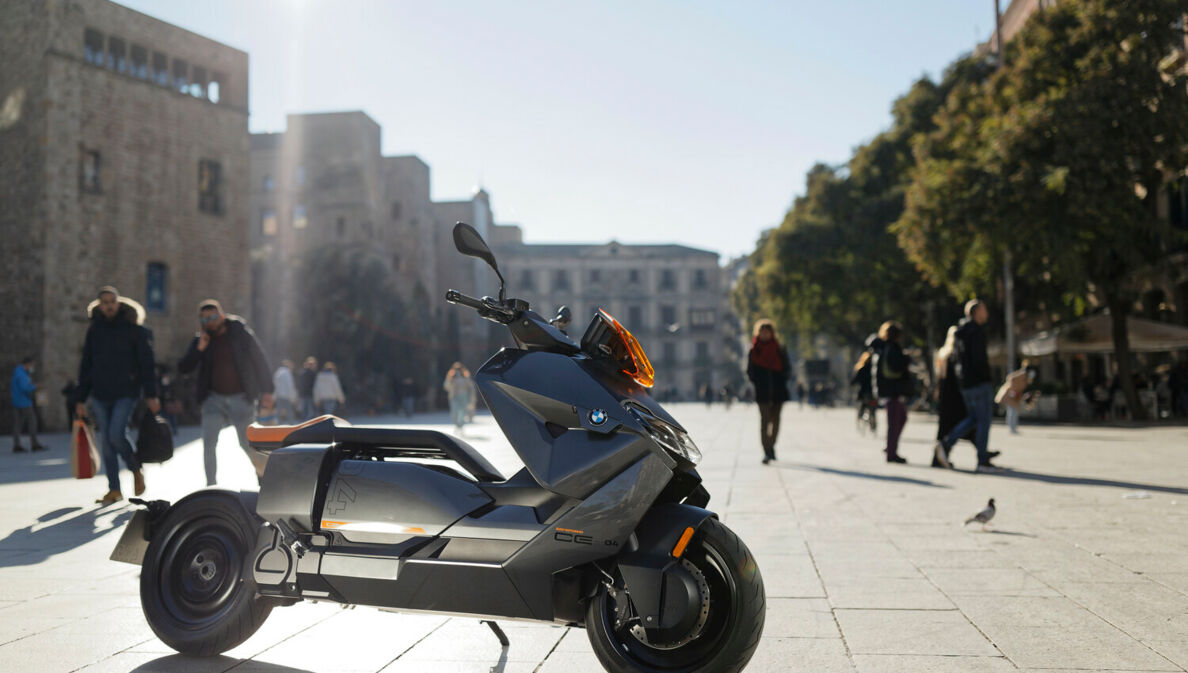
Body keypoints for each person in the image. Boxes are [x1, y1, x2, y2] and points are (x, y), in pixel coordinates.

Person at [74, 287, 159, 504]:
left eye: (112, 301)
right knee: (106, 444)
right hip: (100, 393)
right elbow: (86, 365)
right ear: (99, 305)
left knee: (115, 435)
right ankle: (114, 489)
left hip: (126, 392)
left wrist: (151, 393)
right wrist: (80, 398)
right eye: (104, 302)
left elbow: (147, 363)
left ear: (119, 303)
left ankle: (135, 468)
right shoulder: (94, 330)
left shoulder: (135, 329)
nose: (109, 305)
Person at [178, 299, 274, 486]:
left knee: (248, 444)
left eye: (213, 317)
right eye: (205, 319)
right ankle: (211, 486)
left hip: (242, 398)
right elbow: (184, 368)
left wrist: (268, 391)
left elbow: (259, 359)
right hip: (213, 399)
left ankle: (265, 481)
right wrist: (199, 349)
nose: (210, 322)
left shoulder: (240, 334)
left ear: (222, 316)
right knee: (208, 445)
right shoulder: (201, 340)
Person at [933, 299, 1001, 472]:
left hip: (966, 384)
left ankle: (946, 444)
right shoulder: (975, 332)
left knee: (973, 419)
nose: (986, 313)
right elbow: (978, 360)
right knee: (983, 420)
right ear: (976, 312)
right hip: (978, 383)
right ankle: (982, 460)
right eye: (984, 310)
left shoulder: (960, 332)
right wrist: (987, 378)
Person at [746, 319, 790, 464]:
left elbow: (787, 367)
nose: (765, 334)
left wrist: (783, 379)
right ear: (758, 333)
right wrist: (758, 381)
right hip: (762, 391)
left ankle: (771, 445)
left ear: (772, 333)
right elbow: (750, 370)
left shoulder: (780, 348)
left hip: (778, 390)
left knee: (776, 420)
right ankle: (767, 451)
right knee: (765, 421)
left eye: (767, 332)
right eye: (762, 332)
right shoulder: (754, 350)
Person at [871, 321, 912, 464]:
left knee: (900, 418)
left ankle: (890, 448)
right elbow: (896, 367)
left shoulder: (883, 348)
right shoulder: (891, 348)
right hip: (892, 390)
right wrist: (906, 357)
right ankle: (891, 453)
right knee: (894, 422)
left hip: (888, 390)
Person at [10, 357, 45, 453]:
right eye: (32, 365)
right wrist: (35, 386)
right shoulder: (21, 374)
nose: (32, 367)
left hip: (17, 401)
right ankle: (34, 443)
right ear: (28, 364)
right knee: (32, 422)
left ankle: (16, 444)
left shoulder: (17, 372)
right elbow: (25, 388)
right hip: (24, 402)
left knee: (18, 424)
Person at [997, 359, 1033, 434]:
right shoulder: (1021, 374)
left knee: (1014, 411)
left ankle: (1013, 428)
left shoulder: (1026, 377)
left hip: (1015, 395)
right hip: (1010, 394)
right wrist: (1013, 389)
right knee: (1012, 411)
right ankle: (1011, 428)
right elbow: (1010, 378)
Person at [850, 346, 876, 433]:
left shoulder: (861, 369)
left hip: (864, 392)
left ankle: (861, 416)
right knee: (872, 407)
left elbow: (854, 381)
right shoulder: (874, 369)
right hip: (873, 391)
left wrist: (852, 384)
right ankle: (873, 423)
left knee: (863, 405)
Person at [443, 362, 475, 430]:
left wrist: (471, 398)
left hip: (464, 396)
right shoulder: (451, 376)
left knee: (462, 412)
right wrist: (450, 380)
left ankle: (461, 425)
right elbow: (446, 386)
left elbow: (471, 387)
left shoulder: (465, 376)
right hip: (454, 396)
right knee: (454, 411)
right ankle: (457, 424)